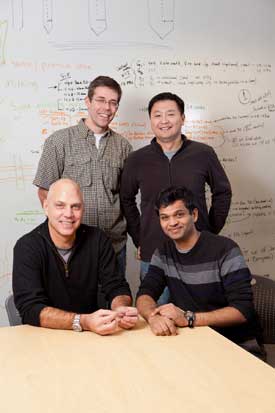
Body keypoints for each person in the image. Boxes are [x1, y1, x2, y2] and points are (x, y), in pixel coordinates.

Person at [120, 92, 232, 302]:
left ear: (182, 118)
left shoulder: (203, 153)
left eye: (170, 114)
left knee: (200, 317)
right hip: (154, 253)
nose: (164, 121)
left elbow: (223, 191)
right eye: (157, 115)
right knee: (155, 315)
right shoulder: (137, 159)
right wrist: (139, 237)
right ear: (151, 120)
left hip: (199, 252)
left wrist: (209, 229)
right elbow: (126, 200)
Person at [136, 186, 265, 359]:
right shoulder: (163, 253)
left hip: (236, 345)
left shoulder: (225, 249)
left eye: (179, 215)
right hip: (193, 342)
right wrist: (152, 317)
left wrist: (189, 319)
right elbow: (145, 294)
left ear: (194, 215)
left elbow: (242, 310)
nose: (172, 223)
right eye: (165, 217)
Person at [33, 76, 132, 276]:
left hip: (114, 247)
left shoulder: (123, 147)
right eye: (101, 100)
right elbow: (45, 191)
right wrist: (64, 231)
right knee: (75, 306)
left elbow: (126, 198)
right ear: (88, 102)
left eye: (113, 103)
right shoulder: (59, 141)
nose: (107, 108)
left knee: (114, 303)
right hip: (71, 249)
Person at [13, 179, 138, 335]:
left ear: (82, 209)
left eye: (75, 207)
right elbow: (30, 309)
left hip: (89, 337)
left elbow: (116, 286)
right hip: (44, 337)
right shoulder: (27, 247)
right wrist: (82, 321)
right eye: (60, 205)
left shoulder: (98, 240)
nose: (68, 214)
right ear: (46, 207)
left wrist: (120, 308)